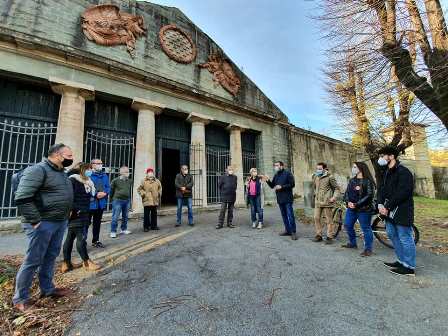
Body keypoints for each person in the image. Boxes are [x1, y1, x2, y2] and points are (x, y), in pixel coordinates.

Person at [12, 143, 74, 312]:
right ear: (56, 155)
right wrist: (35, 221)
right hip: (42, 222)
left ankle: (47, 289)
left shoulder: (61, 172)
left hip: (59, 221)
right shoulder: (38, 170)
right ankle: (21, 299)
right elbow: (23, 197)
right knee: (33, 259)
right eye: (68, 156)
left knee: (51, 256)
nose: (71, 159)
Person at [377, 145, 416, 276]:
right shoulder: (386, 172)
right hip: (388, 211)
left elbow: (403, 192)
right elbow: (382, 189)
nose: (380, 158)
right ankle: (401, 261)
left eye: (382, 156)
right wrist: (380, 204)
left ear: (391, 156)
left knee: (405, 237)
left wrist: (387, 207)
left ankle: (409, 267)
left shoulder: (404, 172)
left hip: (402, 211)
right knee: (392, 235)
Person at [62, 163, 100, 272]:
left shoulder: (86, 181)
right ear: (82, 170)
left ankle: (66, 263)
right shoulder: (74, 180)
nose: (91, 171)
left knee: (70, 237)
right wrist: (75, 209)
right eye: (89, 169)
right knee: (81, 238)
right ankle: (87, 262)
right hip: (78, 213)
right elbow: (69, 197)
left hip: (82, 212)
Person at [341, 161, 376, 256]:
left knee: (366, 228)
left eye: (355, 167)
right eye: (353, 167)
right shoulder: (352, 180)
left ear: (361, 169)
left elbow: (369, 195)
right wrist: (348, 202)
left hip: (364, 209)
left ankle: (368, 249)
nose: (353, 169)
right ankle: (353, 243)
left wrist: (356, 204)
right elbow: (347, 193)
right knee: (348, 225)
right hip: (351, 208)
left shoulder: (368, 181)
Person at [265, 161, 297, 240]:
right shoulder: (276, 175)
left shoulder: (288, 173)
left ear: (281, 166)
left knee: (290, 215)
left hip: (287, 198)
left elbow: (292, 184)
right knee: (284, 216)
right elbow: (272, 186)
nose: (275, 167)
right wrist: (267, 180)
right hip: (280, 199)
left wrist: (282, 187)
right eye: (275, 165)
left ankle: (293, 232)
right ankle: (287, 230)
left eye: (277, 165)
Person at [312, 162, 341, 244]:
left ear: (324, 169)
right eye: (317, 168)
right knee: (316, 218)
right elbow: (315, 187)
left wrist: (334, 197)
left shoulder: (330, 177)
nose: (318, 170)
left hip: (327, 201)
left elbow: (337, 188)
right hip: (318, 201)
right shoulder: (315, 176)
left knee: (329, 220)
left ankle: (329, 237)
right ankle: (319, 235)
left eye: (320, 169)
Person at [88, 158, 110, 248]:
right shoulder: (88, 175)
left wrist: (105, 193)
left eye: (101, 163)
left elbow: (108, 187)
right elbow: (86, 187)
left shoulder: (104, 175)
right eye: (98, 163)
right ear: (92, 164)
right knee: (86, 223)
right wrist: (96, 194)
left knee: (97, 223)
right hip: (90, 203)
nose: (100, 165)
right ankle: (82, 241)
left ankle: (95, 240)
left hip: (101, 203)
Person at [110, 166, 132, 238]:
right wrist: (112, 199)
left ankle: (124, 229)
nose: (128, 173)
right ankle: (113, 231)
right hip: (117, 201)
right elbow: (111, 190)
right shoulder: (115, 180)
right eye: (126, 172)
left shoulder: (129, 181)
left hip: (127, 200)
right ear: (121, 173)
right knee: (115, 217)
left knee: (125, 216)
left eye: (128, 171)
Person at [137, 168, 162, 232]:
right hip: (147, 200)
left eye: (151, 172)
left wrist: (158, 194)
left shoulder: (157, 181)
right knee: (146, 214)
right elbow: (139, 189)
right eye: (149, 172)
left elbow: (160, 188)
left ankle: (154, 226)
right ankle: (146, 227)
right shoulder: (143, 181)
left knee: (154, 214)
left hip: (154, 200)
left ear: (153, 174)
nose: (150, 174)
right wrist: (143, 194)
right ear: (147, 174)